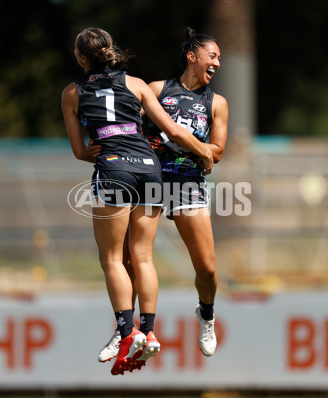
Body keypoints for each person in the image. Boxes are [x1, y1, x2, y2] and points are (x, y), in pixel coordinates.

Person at [61, 27, 213, 375]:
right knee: (142, 256)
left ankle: (126, 332)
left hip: (114, 171)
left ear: (82, 57)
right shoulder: (137, 84)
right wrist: (204, 151)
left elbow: (79, 150)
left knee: (113, 258)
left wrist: (93, 153)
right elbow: (173, 131)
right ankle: (148, 329)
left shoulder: (72, 92)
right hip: (150, 170)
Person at [96, 27, 228, 361]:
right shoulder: (158, 89)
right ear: (192, 56)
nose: (217, 63)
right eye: (212, 56)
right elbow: (129, 125)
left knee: (208, 268)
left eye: (220, 59)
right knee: (131, 260)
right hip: (148, 179)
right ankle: (125, 329)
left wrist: (188, 144)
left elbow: (217, 150)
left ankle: (207, 314)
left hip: (187, 183)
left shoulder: (217, 102)